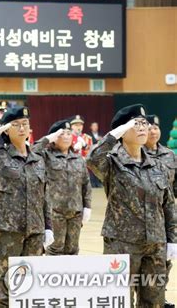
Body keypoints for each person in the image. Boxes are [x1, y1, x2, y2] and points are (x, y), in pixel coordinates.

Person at [87, 104, 176, 307]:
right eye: (136, 124)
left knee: (155, 301)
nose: (143, 127)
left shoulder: (157, 164)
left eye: (145, 123)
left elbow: (168, 204)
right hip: (122, 244)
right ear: (122, 130)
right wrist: (114, 134)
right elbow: (92, 159)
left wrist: (172, 239)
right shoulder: (112, 162)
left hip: (155, 244)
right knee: (120, 299)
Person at [0, 106, 53, 307]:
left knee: (31, 283)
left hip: (35, 230)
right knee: (8, 285)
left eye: (25, 124)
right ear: (6, 129)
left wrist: (48, 226)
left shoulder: (38, 158)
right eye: (15, 125)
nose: (22, 128)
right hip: (8, 231)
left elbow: (44, 196)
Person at [32, 119, 92, 256]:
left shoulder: (78, 159)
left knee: (72, 249)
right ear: (54, 138)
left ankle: (69, 276)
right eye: (61, 134)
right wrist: (48, 139)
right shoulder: (46, 157)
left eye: (68, 133)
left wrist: (87, 206)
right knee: (55, 248)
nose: (66, 136)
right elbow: (33, 150)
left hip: (75, 212)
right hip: (54, 213)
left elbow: (86, 183)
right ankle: (53, 277)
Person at [144, 114, 177, 308]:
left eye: (156, 127)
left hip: (166, 218)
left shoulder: (169, 155)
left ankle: (159, 297)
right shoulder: (135, 155)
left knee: (165, 262)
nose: (153, 131)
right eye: (149, 127)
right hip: (142, 220)